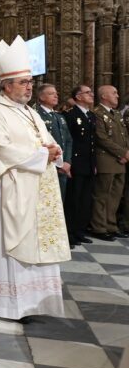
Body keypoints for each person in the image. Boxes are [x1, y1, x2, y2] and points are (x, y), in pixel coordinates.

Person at [0, 36, 70, 321]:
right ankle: (8, 304)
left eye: (30, 82)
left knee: (36, 241)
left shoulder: (30, 112)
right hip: (10, 191)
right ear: (7, 85)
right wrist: (43, 155)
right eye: (23, 82)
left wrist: (54, 150)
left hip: (36, 188)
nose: (29, 87)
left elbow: (47, 140)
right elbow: (3, 150)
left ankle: (34, 301)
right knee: (11, 246)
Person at [91, 85, 129, 241]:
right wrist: (122, 152)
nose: (117, 96)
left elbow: (124, 136)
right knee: (102, 195)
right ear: (104, 96)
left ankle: (111, 225)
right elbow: (102, 138)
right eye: (114, 93)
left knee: (115, 195)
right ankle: (99, 227)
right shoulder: (98, 113)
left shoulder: (117, 114)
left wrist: (126, 153)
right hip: (106, 160)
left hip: (120, 161)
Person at [63, 84, 97, 247]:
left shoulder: (91, 115)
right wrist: (67, 162)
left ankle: (79, 231)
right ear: (78, 96)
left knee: (84, 200)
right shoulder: (70, 115)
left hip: (88, 164)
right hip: (75, 164)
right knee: (73, 200)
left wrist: (94, 164)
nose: (91, 95)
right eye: (87, 93)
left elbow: (92, 143)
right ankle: (69, 234)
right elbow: (67, 141)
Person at [36, 84, 73, 202]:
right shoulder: (36, 115)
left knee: (60, 201)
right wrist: (57, 163)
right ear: (41, 97)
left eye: (56, 93)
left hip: (63, 167)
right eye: (51, 93)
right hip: (47, 165)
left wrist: (66, 162)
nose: (56, 96)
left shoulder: (59, 116)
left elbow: (68, 140)